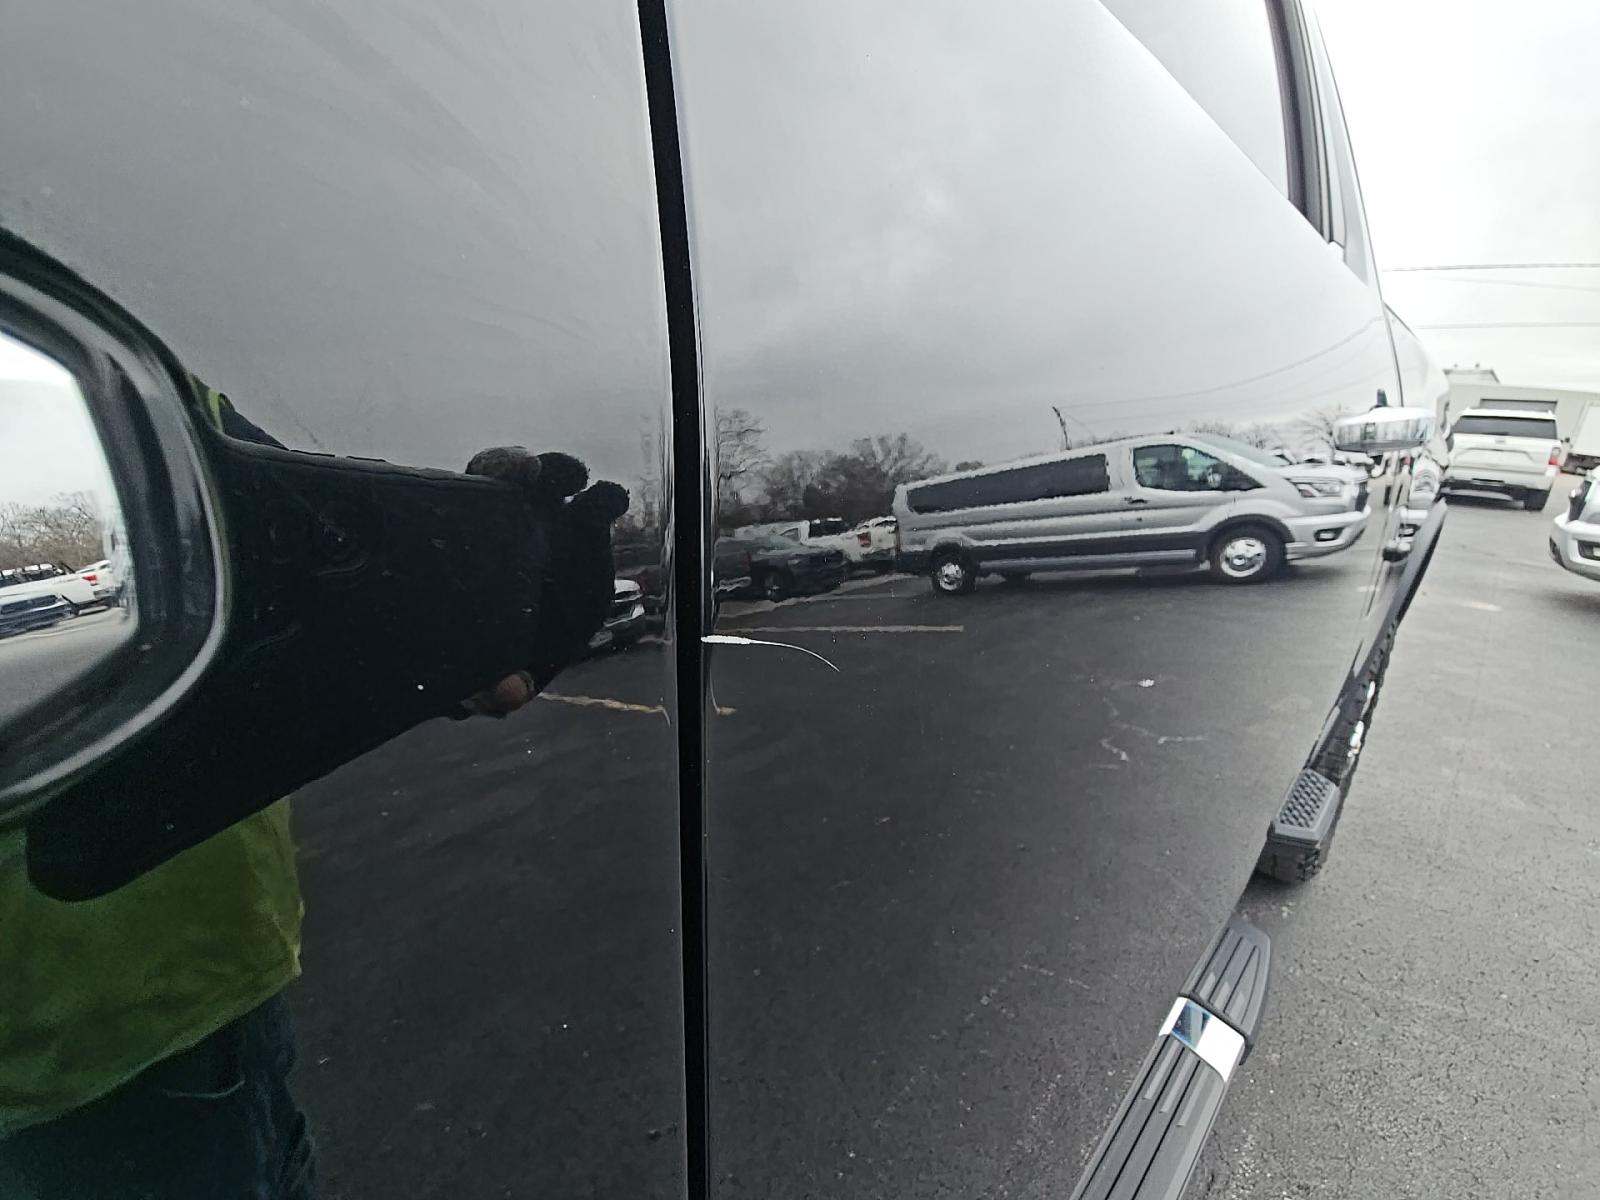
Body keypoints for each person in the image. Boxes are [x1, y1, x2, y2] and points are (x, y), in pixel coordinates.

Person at [0, 384, 627, 1198]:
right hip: (97, 1034)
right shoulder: (70, 350)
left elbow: (313, 557)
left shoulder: (128, 376)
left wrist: (470, 604)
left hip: (178, 999)